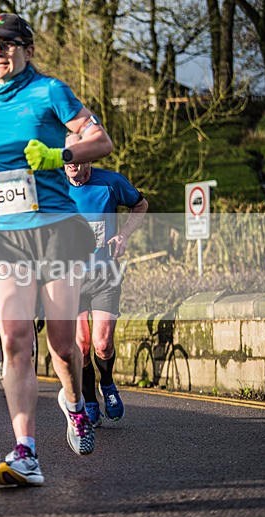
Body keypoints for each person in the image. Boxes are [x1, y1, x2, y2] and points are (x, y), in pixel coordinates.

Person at [0, 13, 113, 486]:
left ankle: (74, 403)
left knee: (64, 346)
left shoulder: (51, 91)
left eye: (7, 44)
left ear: (26, 48)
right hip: (3, 233)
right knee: (14, 342)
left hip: (55, 228)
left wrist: (59, 156)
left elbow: (100, 141)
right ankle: (25, 449)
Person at [64, 133, 148, 427]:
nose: (71, 161)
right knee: (82, 345)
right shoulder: (54, 189)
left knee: (101, 343)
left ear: (89, 157)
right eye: (66, 154)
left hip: (104, 276)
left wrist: (123, 235)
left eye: (77, 154)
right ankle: (90, 402)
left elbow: (141, 205)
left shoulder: (111, 182)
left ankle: (108, 383)